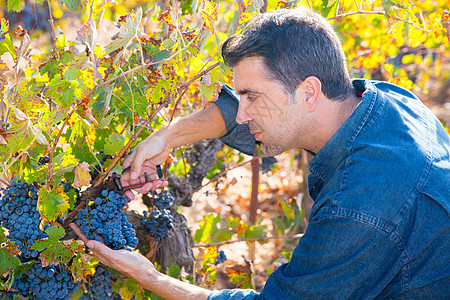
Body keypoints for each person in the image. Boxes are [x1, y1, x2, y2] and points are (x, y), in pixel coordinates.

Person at [71, 7, 450, 299]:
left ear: (309, 91)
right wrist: (167, 136)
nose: (241, 112)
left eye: (252, 96)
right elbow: (252, 115)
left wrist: (148, 277)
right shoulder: (383, 101)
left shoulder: (360, 206)